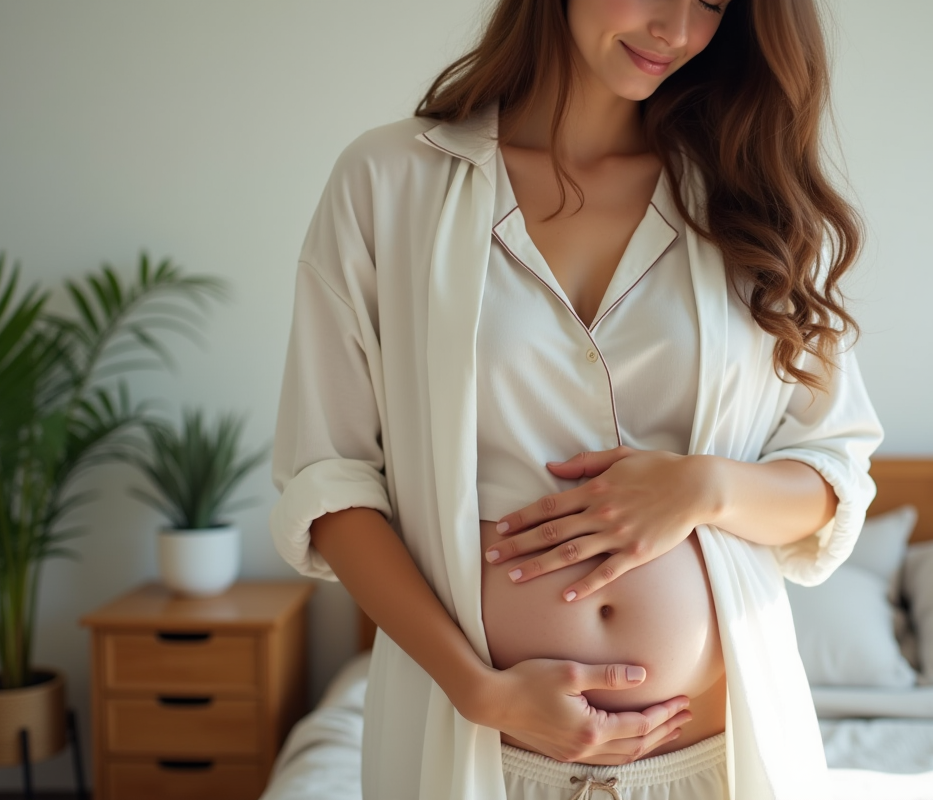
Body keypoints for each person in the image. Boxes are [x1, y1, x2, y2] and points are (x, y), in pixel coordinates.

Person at [269, 0, 883, 797]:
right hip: (483, 754)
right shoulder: (390, 181)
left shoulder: (752, 203)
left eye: (711, 3)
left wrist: (702, 488)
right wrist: (479, 690)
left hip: (713, 761)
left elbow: (832, 476)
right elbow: (330, 478)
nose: (676, 29)